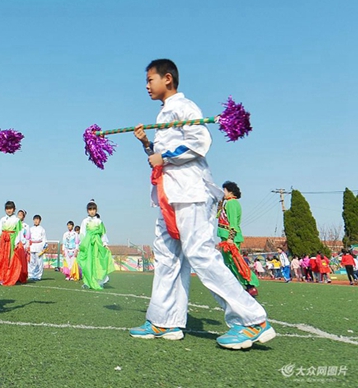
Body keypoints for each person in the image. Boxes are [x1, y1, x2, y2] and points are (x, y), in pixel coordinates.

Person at [128, 59, 274, 349]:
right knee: (167, 256)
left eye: (150, 80)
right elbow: (160, 155)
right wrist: (147, 144)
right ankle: (164, 320)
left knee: (201, 254)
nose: (146, 86)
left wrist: (164, 155)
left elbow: (199, 142)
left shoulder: (186, 108)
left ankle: (251, 321)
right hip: (168, 194)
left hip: (191, 192)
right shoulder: (164, 114)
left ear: (167, 79)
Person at [216, 181, 259, 297]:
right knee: (229, 262)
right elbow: (217, 215)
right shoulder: (227, 203)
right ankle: (234, 285)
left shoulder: (232, 203)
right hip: (224, 238)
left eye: (224, 190)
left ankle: (250, 285)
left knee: (236, 262)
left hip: (231, 238)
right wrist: (220, 202)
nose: (223, 193)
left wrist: (231, 237)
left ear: (230, 191)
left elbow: (233, 222)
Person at [78, 200, 114, 290]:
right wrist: (82, 245)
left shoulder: (99, 221)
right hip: (88, 244)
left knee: (98, 262)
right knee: (88, 263)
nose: (92, 211)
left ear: (96, 210)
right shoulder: (85, 221)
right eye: (90, 209)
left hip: (97, 243)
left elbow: (103, 233)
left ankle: (100, 282)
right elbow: (82, 233)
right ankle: (87, 282)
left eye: (94, 209)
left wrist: (105, 244)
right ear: (87, 211)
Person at [0, 201, 27, 286]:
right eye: (7, 209)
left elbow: (19, 232)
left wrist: (16, 243)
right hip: (3, 241)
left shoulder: (16, 220)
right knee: (2, 258)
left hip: (11, 240)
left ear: (14, 209)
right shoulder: (3, 219)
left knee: (10, 259)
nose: (9, 210)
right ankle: (1, 277)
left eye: (11, 209)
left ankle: (10, 277)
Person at [28, 214, 47, 281]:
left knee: (39, 262)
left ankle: (38, 276)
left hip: (39, 246)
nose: (36, 221)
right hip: (32, 245)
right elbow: (28, 238)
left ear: (40, 221)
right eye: (35, 220)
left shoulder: (42, 229)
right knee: (31, 262)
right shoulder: (30, 229)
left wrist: (44, 247)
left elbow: (44, 239)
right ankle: (31, 275)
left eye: (37, 220)